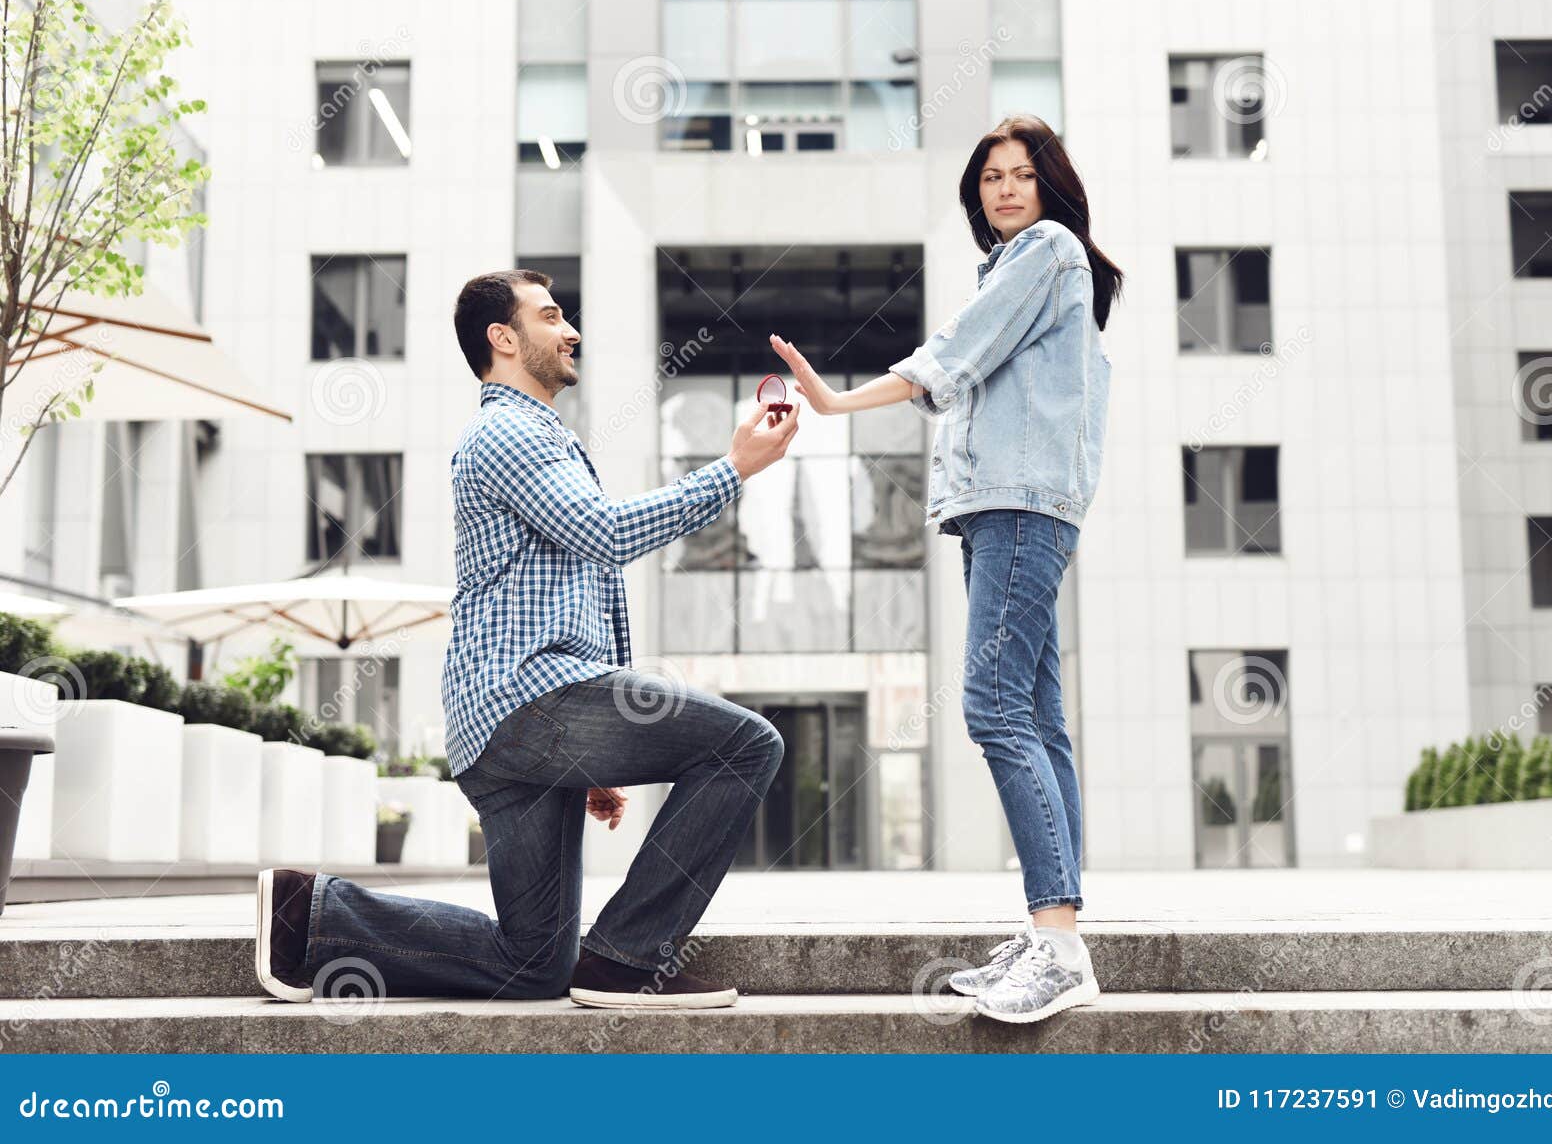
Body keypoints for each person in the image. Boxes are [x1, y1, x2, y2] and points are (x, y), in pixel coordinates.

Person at [254, 268, 800, 1010]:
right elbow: (605, 535)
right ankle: (631, 958)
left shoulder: (536, 438)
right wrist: (731, 471)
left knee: (533, 963)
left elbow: (585, 590)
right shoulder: (509, 432)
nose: (570, 330)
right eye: (550, 317)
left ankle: (309, 917)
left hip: (520, 720)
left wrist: (599, 747)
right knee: (747, 745)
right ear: (503, 339)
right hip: (528, 697)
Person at [767, 115, 1121, 1023]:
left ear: (1051, 187)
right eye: (991, 179)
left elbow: (952, 359)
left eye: (1021, 175)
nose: (1005, 190)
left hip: (1018, 503)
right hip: (1008, 504)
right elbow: (972, 373)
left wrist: (838, 399)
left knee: (993, 708)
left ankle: (1059, 945)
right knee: (1037, 715)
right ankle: (1055, 934)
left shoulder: (1046, 250)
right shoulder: (1021, 265)